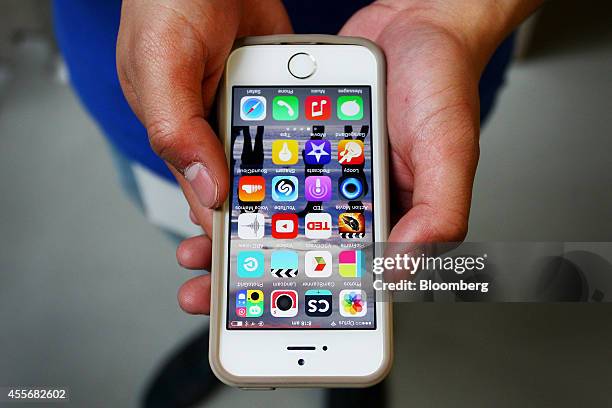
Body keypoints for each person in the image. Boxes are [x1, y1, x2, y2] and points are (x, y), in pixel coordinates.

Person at [53, 0, 542, 406]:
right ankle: (237, 326)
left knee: (374, 245)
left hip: (411, 82)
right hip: (166, 78)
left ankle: (332, 356)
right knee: (219, 243)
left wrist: (456, 15)